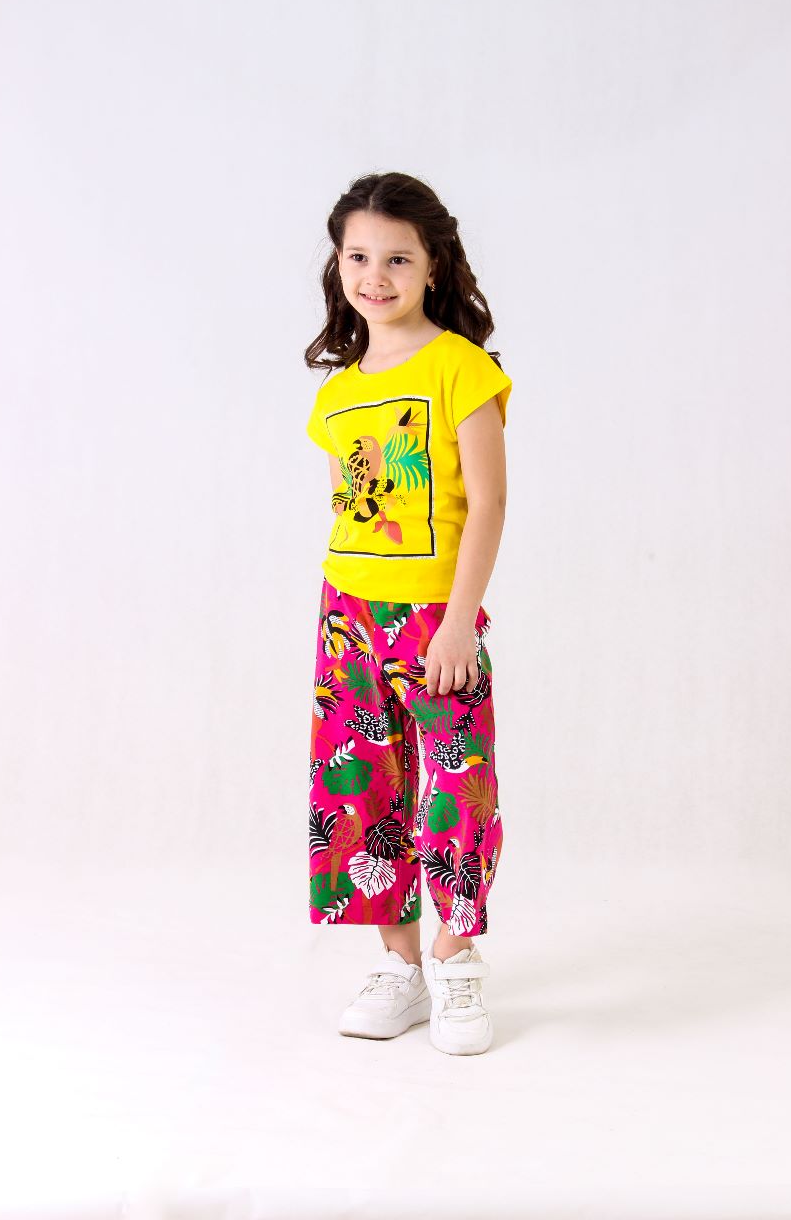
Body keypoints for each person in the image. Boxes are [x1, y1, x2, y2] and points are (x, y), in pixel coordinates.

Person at [304, 171, 512, 1055]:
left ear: (433, 265)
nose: (374, 275)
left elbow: (489, 503)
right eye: (358, 256)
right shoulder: (336, 394)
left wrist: (460, 622)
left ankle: (457, 963)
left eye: (397, 258)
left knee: (457, 785)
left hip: (436, 615)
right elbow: (350, 507)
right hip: (347, 612)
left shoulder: (461, 368)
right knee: (362, 786)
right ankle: (399, 968)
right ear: (338, 266)